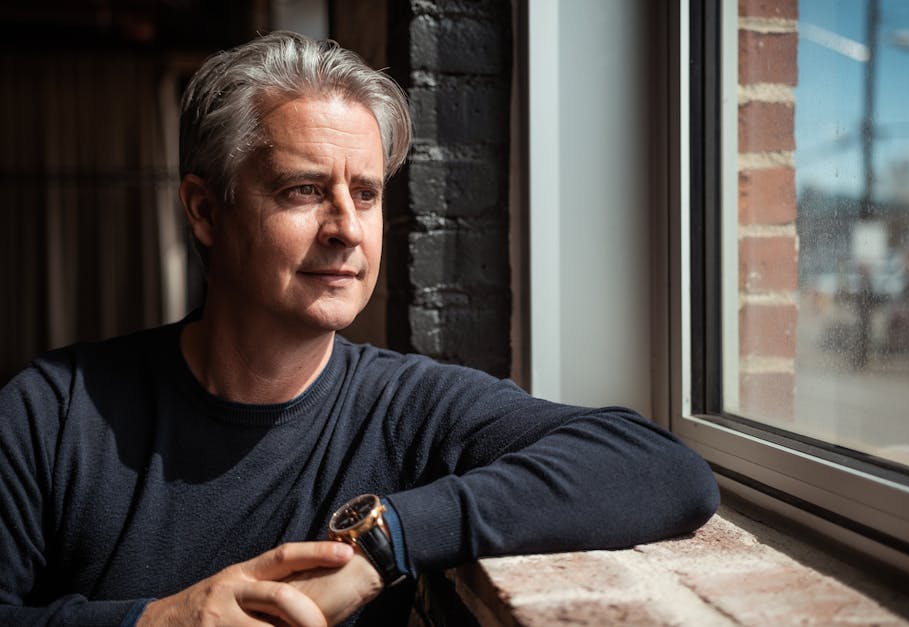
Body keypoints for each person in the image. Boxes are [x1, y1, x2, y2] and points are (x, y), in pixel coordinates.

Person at [0, 31, 719, 626]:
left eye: (366, 193)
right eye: (304, 190)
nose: (347, 228)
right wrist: (156, 620)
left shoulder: (408, 410)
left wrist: (386, 538)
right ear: (204, 210)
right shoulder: (53, 410)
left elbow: (667, 471)